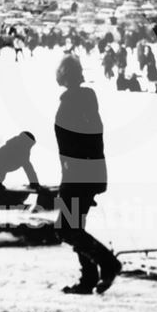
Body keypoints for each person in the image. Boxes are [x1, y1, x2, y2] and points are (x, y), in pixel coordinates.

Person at [53, 55, 121, 295]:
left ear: (63, 75)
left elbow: (72, 146)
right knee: (75, 225)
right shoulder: (87, 100)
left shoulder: (71, 103)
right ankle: (88, 278)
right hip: (89, 173)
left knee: (66, 228)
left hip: (77, 176)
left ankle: (108, 264)